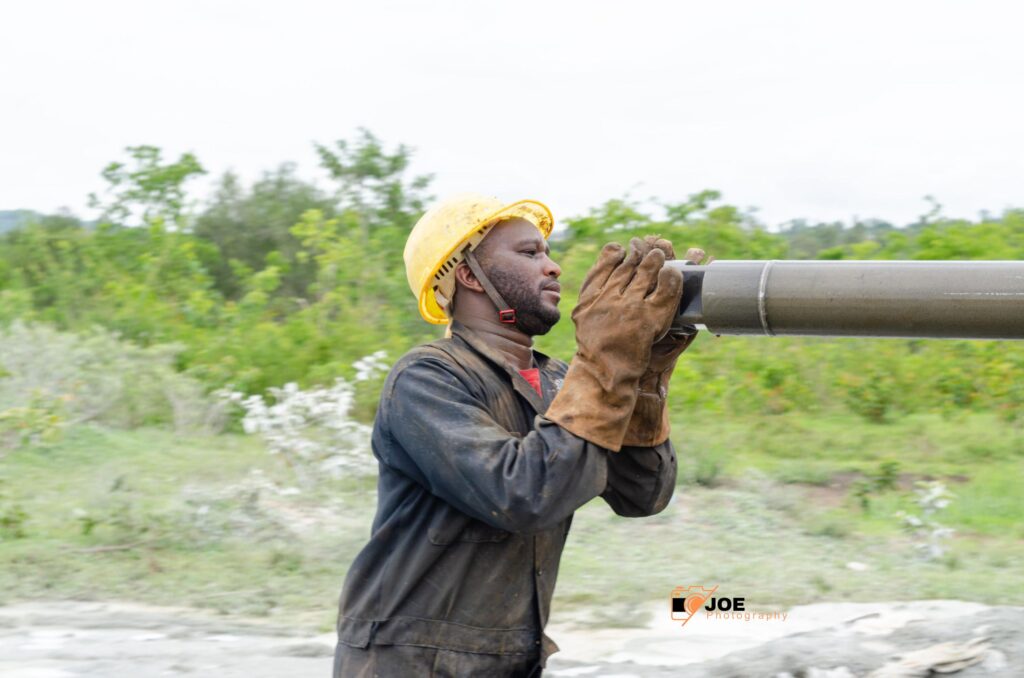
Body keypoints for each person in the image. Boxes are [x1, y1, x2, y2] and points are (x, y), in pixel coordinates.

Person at [333, 193, 703, 677]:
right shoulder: (426, 379)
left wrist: (645, 374)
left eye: (548, 252)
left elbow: (642, 493)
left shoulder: (560, 382)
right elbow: (523, 494)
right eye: (529, 254)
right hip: (409, 663)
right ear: (468, 274)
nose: (553, 268)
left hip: (509, 662)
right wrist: (606, 359)